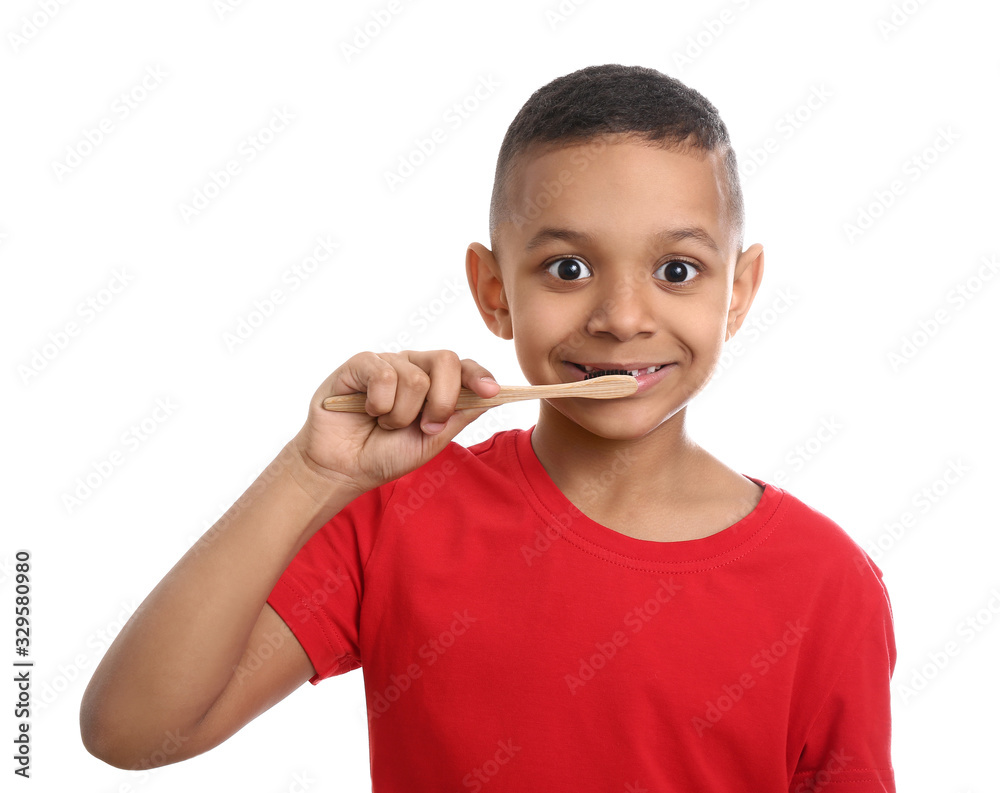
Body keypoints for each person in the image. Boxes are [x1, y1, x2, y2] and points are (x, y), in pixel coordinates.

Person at [80, 64, 896, 792]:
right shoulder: (395, 512)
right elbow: (131, 731)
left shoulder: (828, 584)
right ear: (494, 291)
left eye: (676, 270)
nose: (621, 317)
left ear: (740, 290)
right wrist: (312, 472)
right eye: (567, 268)